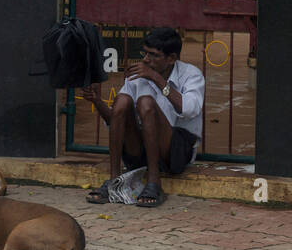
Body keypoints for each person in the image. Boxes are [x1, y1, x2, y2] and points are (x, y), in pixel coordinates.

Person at [80, 28, 205, 208]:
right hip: (142, 151)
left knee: (146, 102)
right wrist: (97, 101)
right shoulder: (138, 76)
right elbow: (117, 119)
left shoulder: (191, 75)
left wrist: (157, 79)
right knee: (122, 100)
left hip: (175, 154)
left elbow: (189, 109)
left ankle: (154, 182)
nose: (146, 59)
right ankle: (114, 180)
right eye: (145, 53)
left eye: (154, 55)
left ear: (171, 58)